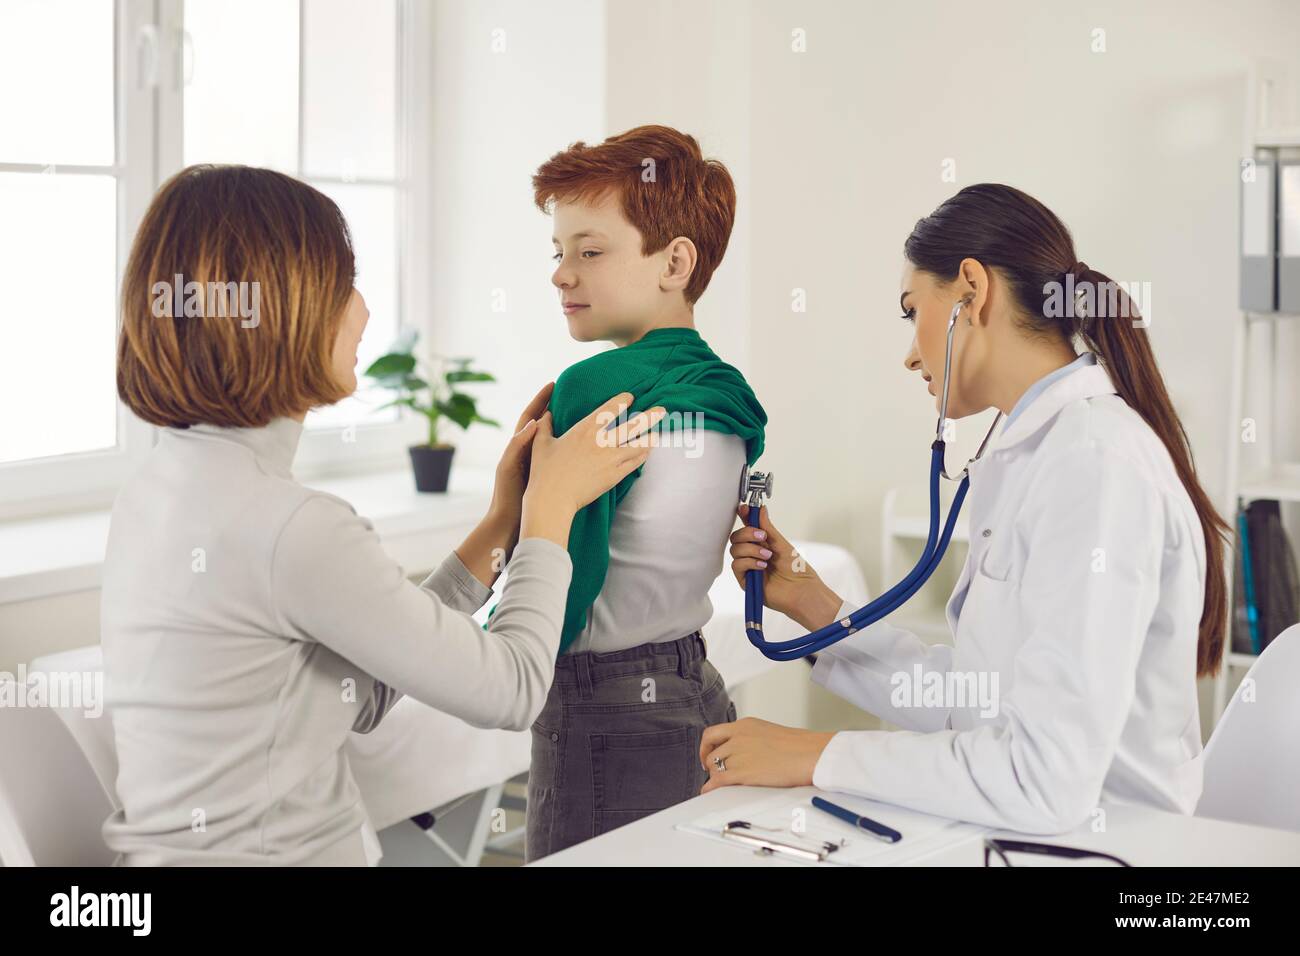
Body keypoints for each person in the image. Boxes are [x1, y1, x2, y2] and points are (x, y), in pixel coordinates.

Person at [102, 164, 664, 865]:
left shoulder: (160, 490)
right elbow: (513, 687)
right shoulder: (291, 527)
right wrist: (553, 510)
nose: (362, 309)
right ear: (283, 309)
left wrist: (504, 525)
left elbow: (354, 694)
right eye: (343, 285)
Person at [703, 183, 1228, 834]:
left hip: (1112, 849)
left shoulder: (1094, 465)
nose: (908, 351)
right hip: (1024, 834)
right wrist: (813, 604)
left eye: (910, 310)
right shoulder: (1033, 452)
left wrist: (813, 754)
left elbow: (1044, 776)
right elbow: (977, 702)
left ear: (971, 294)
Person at [521, 126, 767, 860]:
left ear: (676, 261)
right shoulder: (730, 396)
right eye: (558, 252)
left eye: (590, 251)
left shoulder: (591, 389)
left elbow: (550, 566)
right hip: (694, 683)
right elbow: (733, 505)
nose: (562, 274)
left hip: (599, 703)